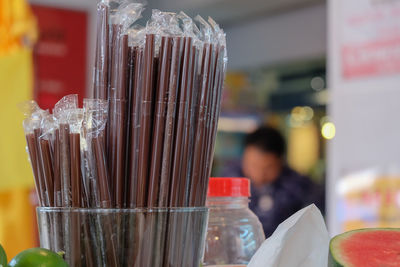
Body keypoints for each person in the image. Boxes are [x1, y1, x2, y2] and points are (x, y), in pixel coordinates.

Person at [223, 126, 324, 237]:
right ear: (243, 157)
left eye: (268, 167)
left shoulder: (299, 186)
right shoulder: (227, 181)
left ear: (281, 161)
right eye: (253, 165)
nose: (260, 174)